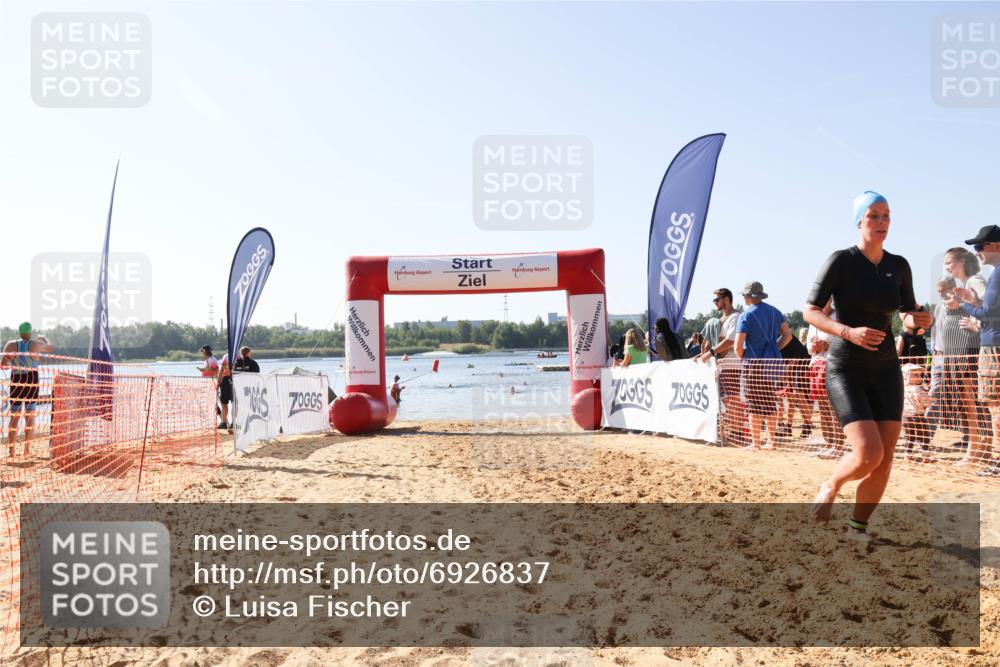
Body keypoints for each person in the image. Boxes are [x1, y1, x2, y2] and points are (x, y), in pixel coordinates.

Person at [804, 191, 933, 539]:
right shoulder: (841, 261)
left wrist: (920, 320)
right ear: (859, 221)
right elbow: (810, 311)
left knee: (885, 458)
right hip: (846, 368)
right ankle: (831, 485)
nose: (882, 223)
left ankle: (857, 528)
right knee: (868, 454)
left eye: (886, 216)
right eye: (874, 216)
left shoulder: (898, 265)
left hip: (886, 369)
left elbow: (908, 316)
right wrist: (847, 331)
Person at [954, 225, 1000, 476]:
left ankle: (997, 461)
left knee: (995, 405)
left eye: (980, 247)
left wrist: (965, 304)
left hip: (994, 348)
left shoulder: (997, 274)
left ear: (996, 246)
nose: (977, 252)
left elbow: (988, 313)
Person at [734, 281, 793, 450]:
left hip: (752, 363)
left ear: (750, 296)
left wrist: (743, 357)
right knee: (769, 401)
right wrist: (775, 349)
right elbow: (788, 336)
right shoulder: (775, 312)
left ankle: (756, 442)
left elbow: (738, 345)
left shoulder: (745, 316)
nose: (743, 297)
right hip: (771, 363)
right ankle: (772, 441)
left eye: (744, 294)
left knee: (753, 403)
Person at [697, 288, 746, 446]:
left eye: (717, 300)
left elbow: (731, 341)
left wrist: (711, 352)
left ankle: (738, 432)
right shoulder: (721, 319)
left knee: (734, 399)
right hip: (722, 365)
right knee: (727, 400)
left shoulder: (735, 316)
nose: (715, 303)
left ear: (727, 299)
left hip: (732, 363)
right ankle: (733, 431)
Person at [1, 322, 54, 456]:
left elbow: (3, 366)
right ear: (30, 333)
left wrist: (9, 359)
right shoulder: (35, 344)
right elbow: (50, 348)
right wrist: (44, 339)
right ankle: (26, 450)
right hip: (31, 381)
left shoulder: (10, 345)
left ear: (19, 332)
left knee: (14, 417)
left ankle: (11, 451)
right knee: (30, 416)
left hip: (16, 381)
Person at [807, 298, 845, 460]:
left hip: (834, 365)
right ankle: (829, 444)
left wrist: (828, 345)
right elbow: (809, 348)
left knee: (833, 406)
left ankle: (838, 445)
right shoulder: (813, 320)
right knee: (822, 406)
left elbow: (845, 341)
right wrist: (814, 346)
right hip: (817, 365)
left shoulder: (839, 316)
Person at [901, 364, 932, 463]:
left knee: (909, 437)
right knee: (923, 436)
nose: (919, 378)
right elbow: (927, 402)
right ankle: (926, 456)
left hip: (905, 417)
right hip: (918, 417)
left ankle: (907, 455)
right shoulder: (918, 389)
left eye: (920, 375)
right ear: (906, 376)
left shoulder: (901, 389)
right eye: (915, 375)